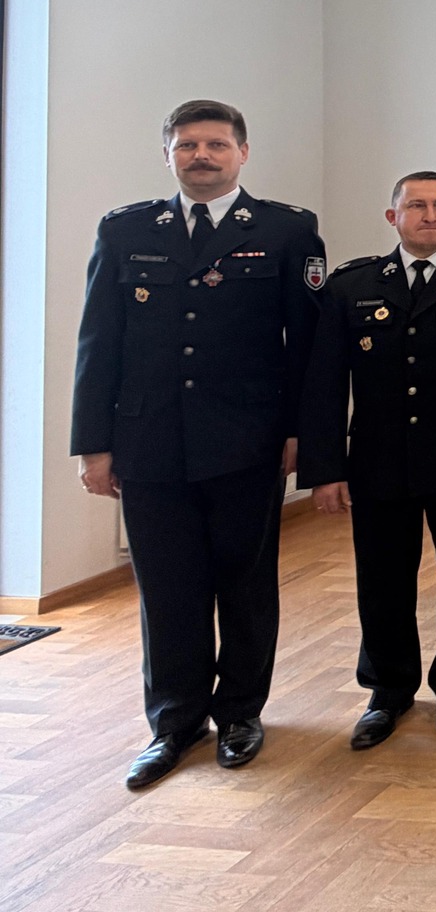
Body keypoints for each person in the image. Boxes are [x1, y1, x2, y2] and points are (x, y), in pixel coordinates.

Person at [71, 99, 324, 788]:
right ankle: (174, 723)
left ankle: (240, 713)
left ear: (243, 153)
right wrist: (94, 445)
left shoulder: (287, 230)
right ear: (168, 155)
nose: (201, 156)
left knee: (245, 583)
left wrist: (303, 434)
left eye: (215, 144)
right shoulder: (125, 230)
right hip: (148, 440)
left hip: (248, 439)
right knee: (166, 589)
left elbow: (305, 346)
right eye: (187, 146)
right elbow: (98, 343)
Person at [298, 171, 436, 748]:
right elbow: (325, 384)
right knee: (382, 580)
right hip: (378, 460)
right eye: (417, 205)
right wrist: (325, 469)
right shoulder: (352, 285)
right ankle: (388, 690)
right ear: (393, 217)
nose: (430, 215)